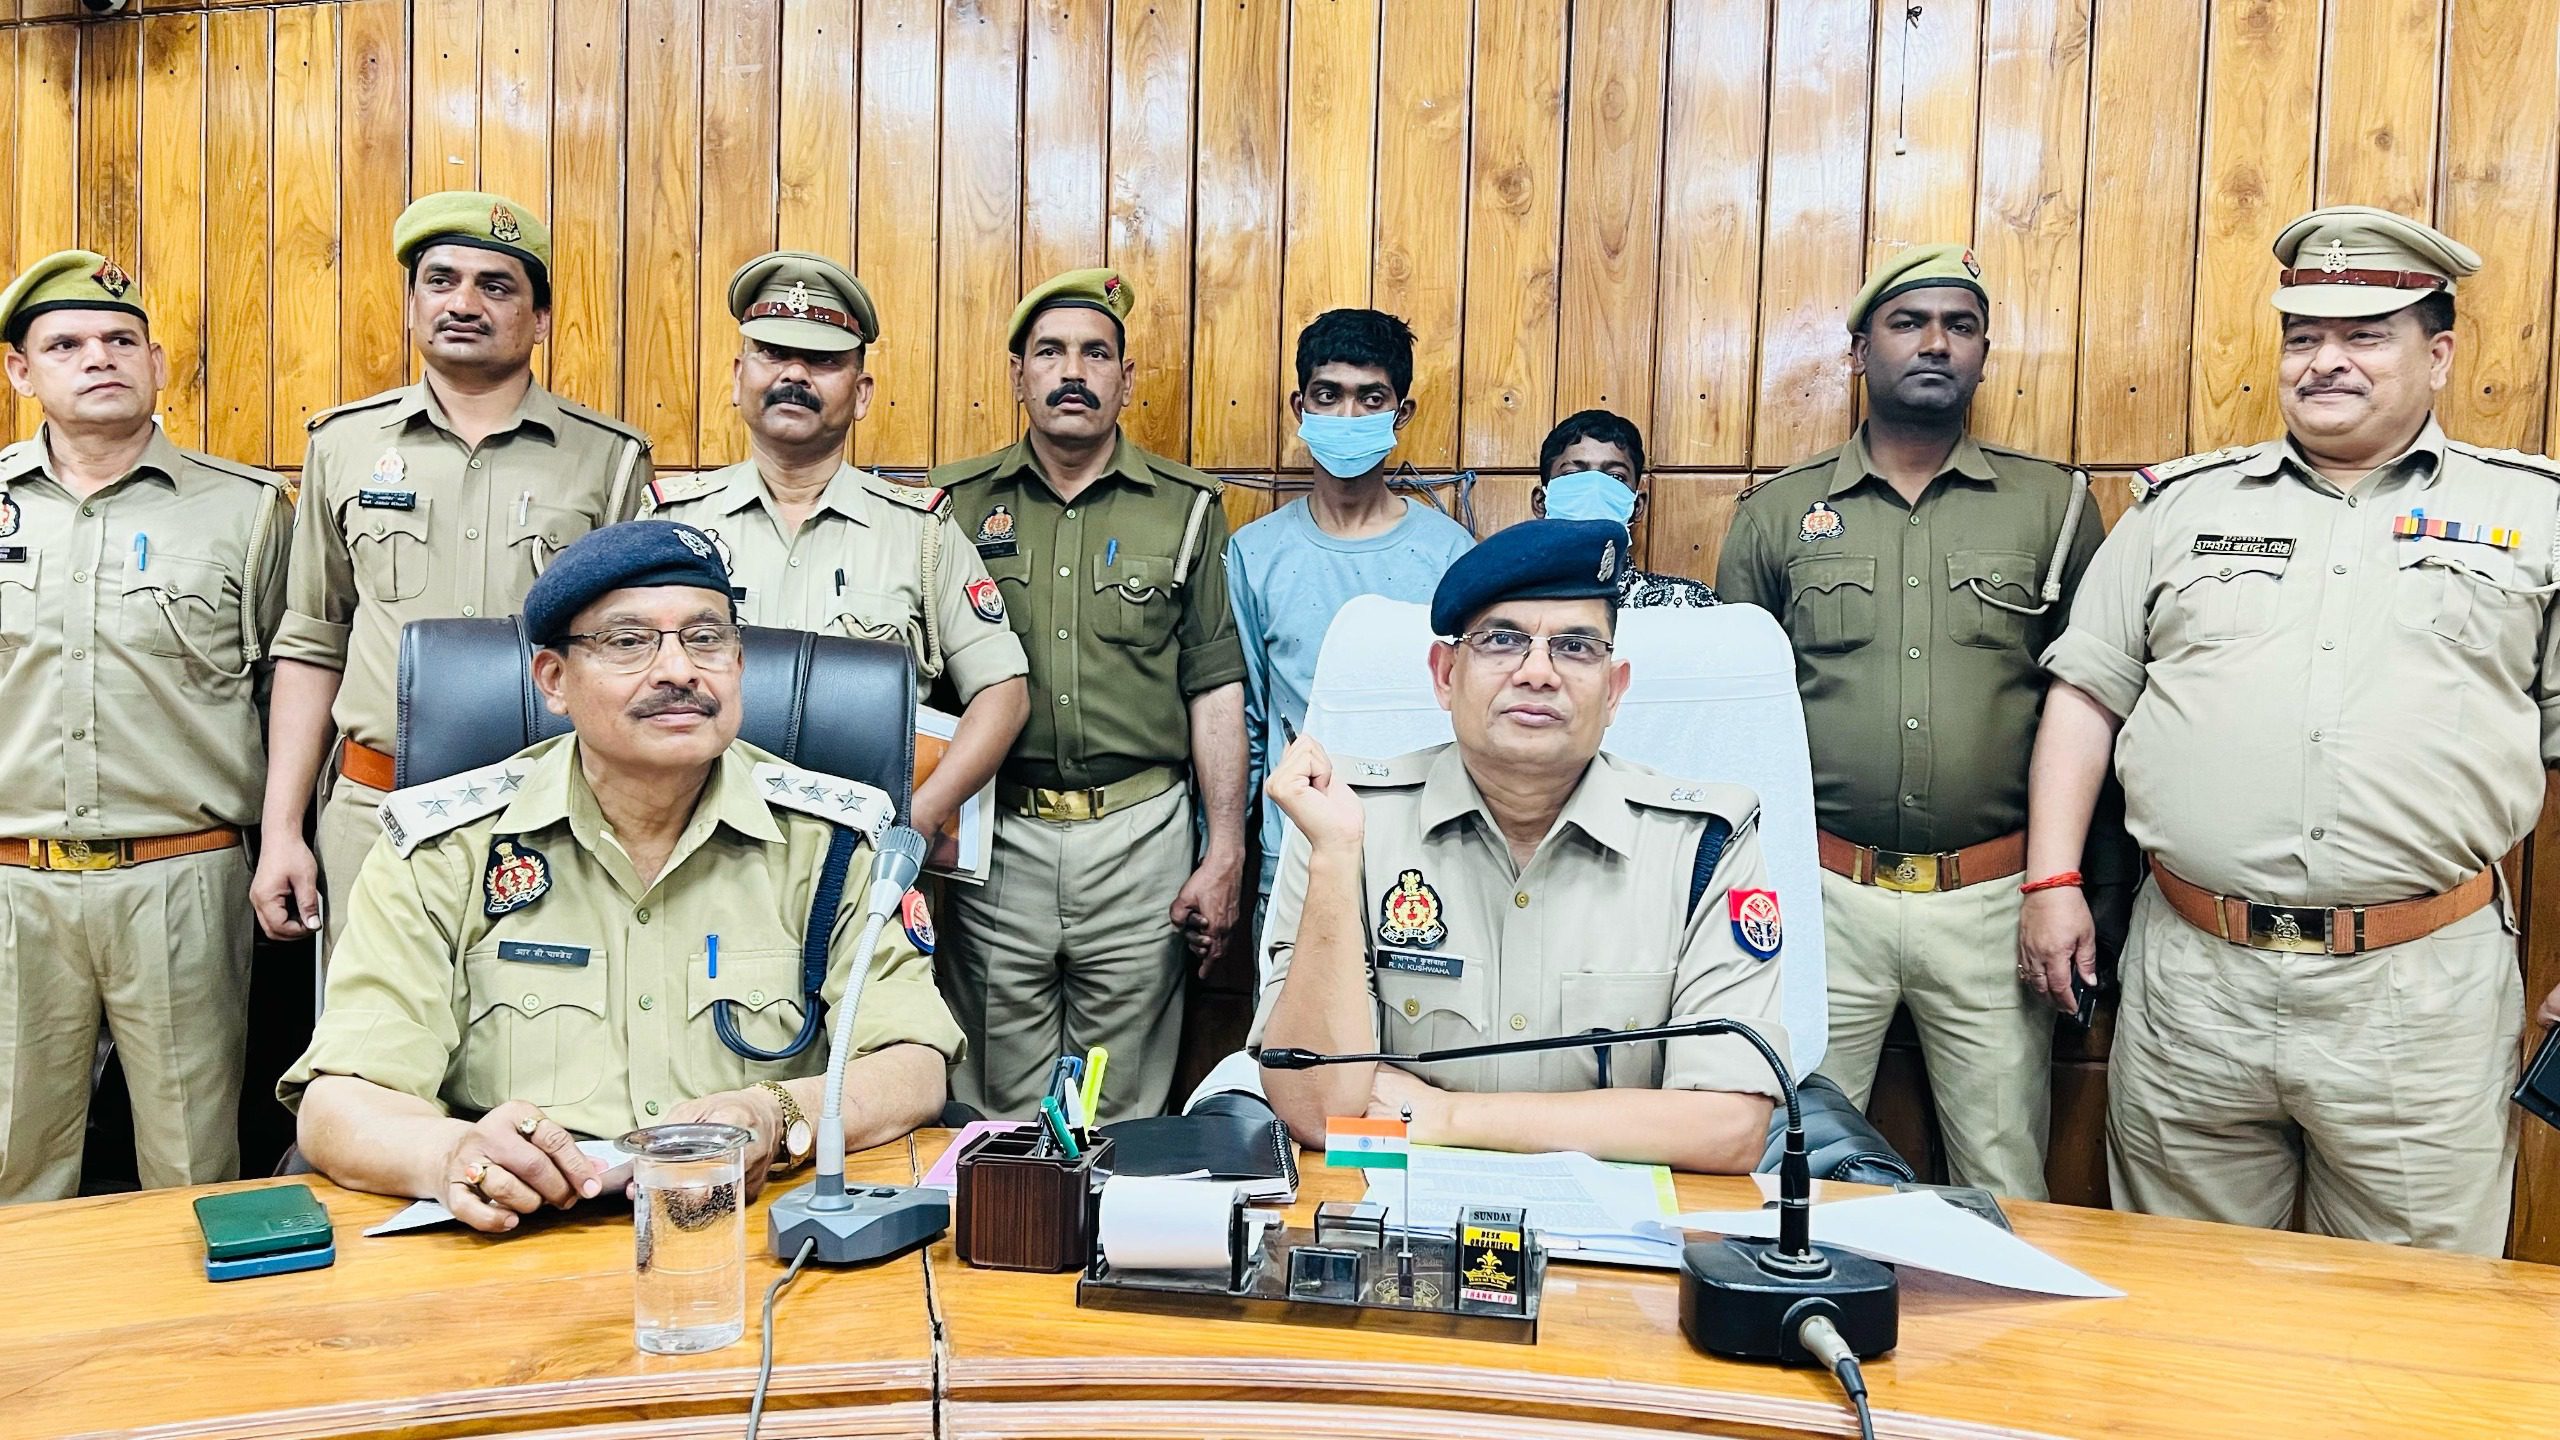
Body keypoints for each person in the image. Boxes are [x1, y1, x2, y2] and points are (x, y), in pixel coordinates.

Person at [2023, 206, 2551, 1255]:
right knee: (2184, 1294)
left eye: (2365, 336)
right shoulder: (2179, 507)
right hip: (2195, 980)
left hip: (2420, 992)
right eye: (2303, 336)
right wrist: (2050, 883)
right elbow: (2086, 696)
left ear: (2439, 355)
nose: (2325, 361)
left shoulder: (2536, 515)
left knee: (2421, 1308)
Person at [280, 521, 961, 1233]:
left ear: (738, 664)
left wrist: (778, 1113)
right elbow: (340, 1102)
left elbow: (913, 1062)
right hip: (517, 1239)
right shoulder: (444, 849)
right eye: (629, 642)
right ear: (554, 681)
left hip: (754, 1232)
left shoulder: (835, 843)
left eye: (706, 639)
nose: (679, 671)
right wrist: (451, 1153)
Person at [1716, 244, 2101, 1200]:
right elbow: (1736, 720)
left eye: (1959, 326)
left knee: (2005, 1179)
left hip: (1994, 900)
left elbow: (2093, 706)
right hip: (1820, 896)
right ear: (1859, 352)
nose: (1936, 343)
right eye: (1908, 323)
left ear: (1983, 354)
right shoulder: (1779, 513)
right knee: (1794, 1168)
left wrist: (2085, 892)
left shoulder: (2054, 507)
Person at [1254, 520, 1788, 1170]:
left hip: (1617, 1220)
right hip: (1392, 1203)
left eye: (1576, 647)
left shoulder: (1702, 844)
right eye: (1503, 640)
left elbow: (1730, 1127)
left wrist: (1442, 1114)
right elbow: (1314, 1108)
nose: (1538, 673)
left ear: (1614, 690)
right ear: (1446, 674)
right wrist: (1336, 856)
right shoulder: (1349, 824)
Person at [254, 191, 654, 955]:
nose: (464, 303)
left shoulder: (608, 459)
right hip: (375, 809)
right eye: (440, 281)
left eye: (496, 285)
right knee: (371, 1028)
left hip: (549, 813)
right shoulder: (343, 447)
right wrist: (282, 832)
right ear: (412, 304)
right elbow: (311, 644)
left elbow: (628, 655)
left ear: (541, 319)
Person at [0, 251, 292, 1203]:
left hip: (182, 877)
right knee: (14, 1165)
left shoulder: (247, 510)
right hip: (13, 883)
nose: (99, 358)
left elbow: (287, 690)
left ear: (158, 363)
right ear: (20, 372)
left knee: (195, 1165)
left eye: (121, 340)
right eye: (66, 345)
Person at [932, 267, 1248, 1122]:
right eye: (1050, 352)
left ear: (1126, 377)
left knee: (1122, 1106)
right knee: (996, 1108)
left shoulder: (1185, 508)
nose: (1073, 372)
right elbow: (924, 681)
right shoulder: (952, 506)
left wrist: (1224, 851)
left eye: (1096, 354)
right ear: (1018, 374)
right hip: (999, 840)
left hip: (1140, 840)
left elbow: (1215, 687)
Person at [643, 250, 1029, 861]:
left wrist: (921, 815)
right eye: (773, 353)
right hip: (693, 854)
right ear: (738, 376)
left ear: (862, 393)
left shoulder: (920, 533)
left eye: (824, 360)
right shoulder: (668, 525)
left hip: (861, 862)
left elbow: (1004, 691)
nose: (795, 375)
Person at [1227, 309, 1474, 936]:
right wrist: (1224, 856)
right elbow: (1246, 721)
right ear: (1299, 406)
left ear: (1401, 413)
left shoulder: (1449, 555)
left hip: (1426, 860)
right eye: (1327, 395)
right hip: (1295, 857)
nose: (1347, 415)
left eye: (1371, 398)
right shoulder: (1255, 553)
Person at [1532, 408, 1717, 608]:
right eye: (1573, 474)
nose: (1595, 490)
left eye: (1616, 477)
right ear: (1541, 502)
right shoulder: (1511, 604)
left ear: (1637, 506)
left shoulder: (1687, 604)